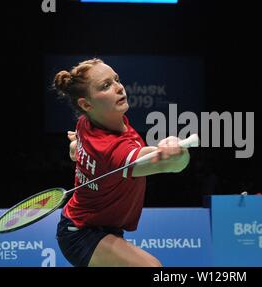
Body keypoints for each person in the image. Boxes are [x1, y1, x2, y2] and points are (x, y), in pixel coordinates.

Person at [53, 58, 190, 267]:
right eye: (106, 86)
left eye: (116, 80)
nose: (118, 88)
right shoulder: (113, 150)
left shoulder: (87, 122)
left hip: (98, 227)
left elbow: (78, 147)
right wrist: (176, 153)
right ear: (86, 104)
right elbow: (172, 165)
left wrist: (75, 148)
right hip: (81, 233)